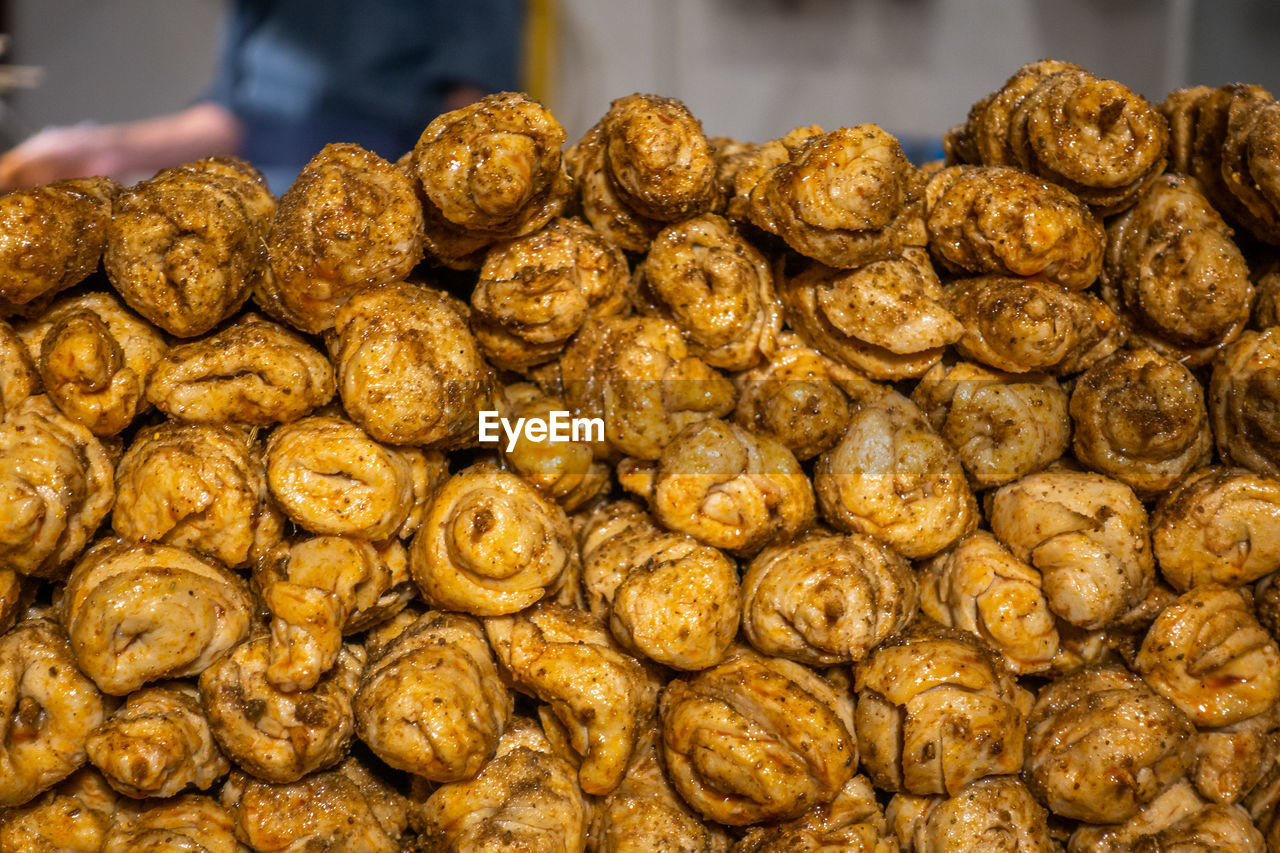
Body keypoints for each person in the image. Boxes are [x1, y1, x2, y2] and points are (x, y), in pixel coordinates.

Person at [0, 0, 524, 193]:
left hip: (379, 214)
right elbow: (229, 118)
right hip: (256, 208)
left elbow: (472, 124)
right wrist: (100, 150)